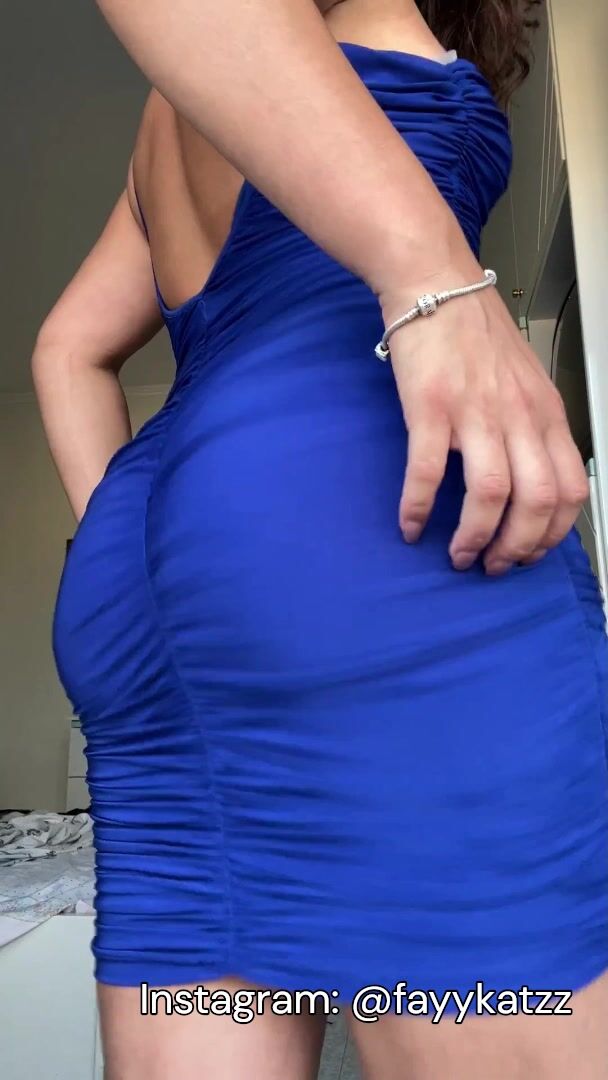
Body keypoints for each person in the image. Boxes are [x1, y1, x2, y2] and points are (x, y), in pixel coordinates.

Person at [33, 0, 608, 1077]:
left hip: (153, 559)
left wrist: (162, 535)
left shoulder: (178, 110)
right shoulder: (362, 21)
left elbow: (65, 350)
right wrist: (433, 281)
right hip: (353, 490)